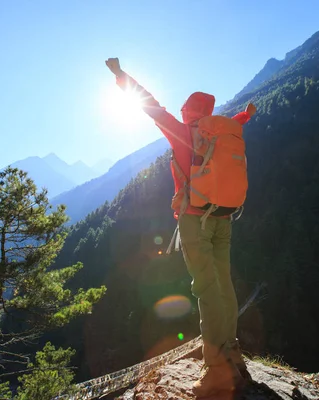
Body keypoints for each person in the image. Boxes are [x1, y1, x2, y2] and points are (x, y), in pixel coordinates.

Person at [105, 58, 257, 397]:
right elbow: (238, 120)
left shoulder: (182, 133)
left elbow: (150, 105)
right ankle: (230, 349)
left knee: (205, 288)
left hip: (195, 220)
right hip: (223, 218)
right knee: (224, 285)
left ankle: (215, 364)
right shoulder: (222, 131)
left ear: (187, 112)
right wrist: (247, 114)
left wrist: (120, 75)